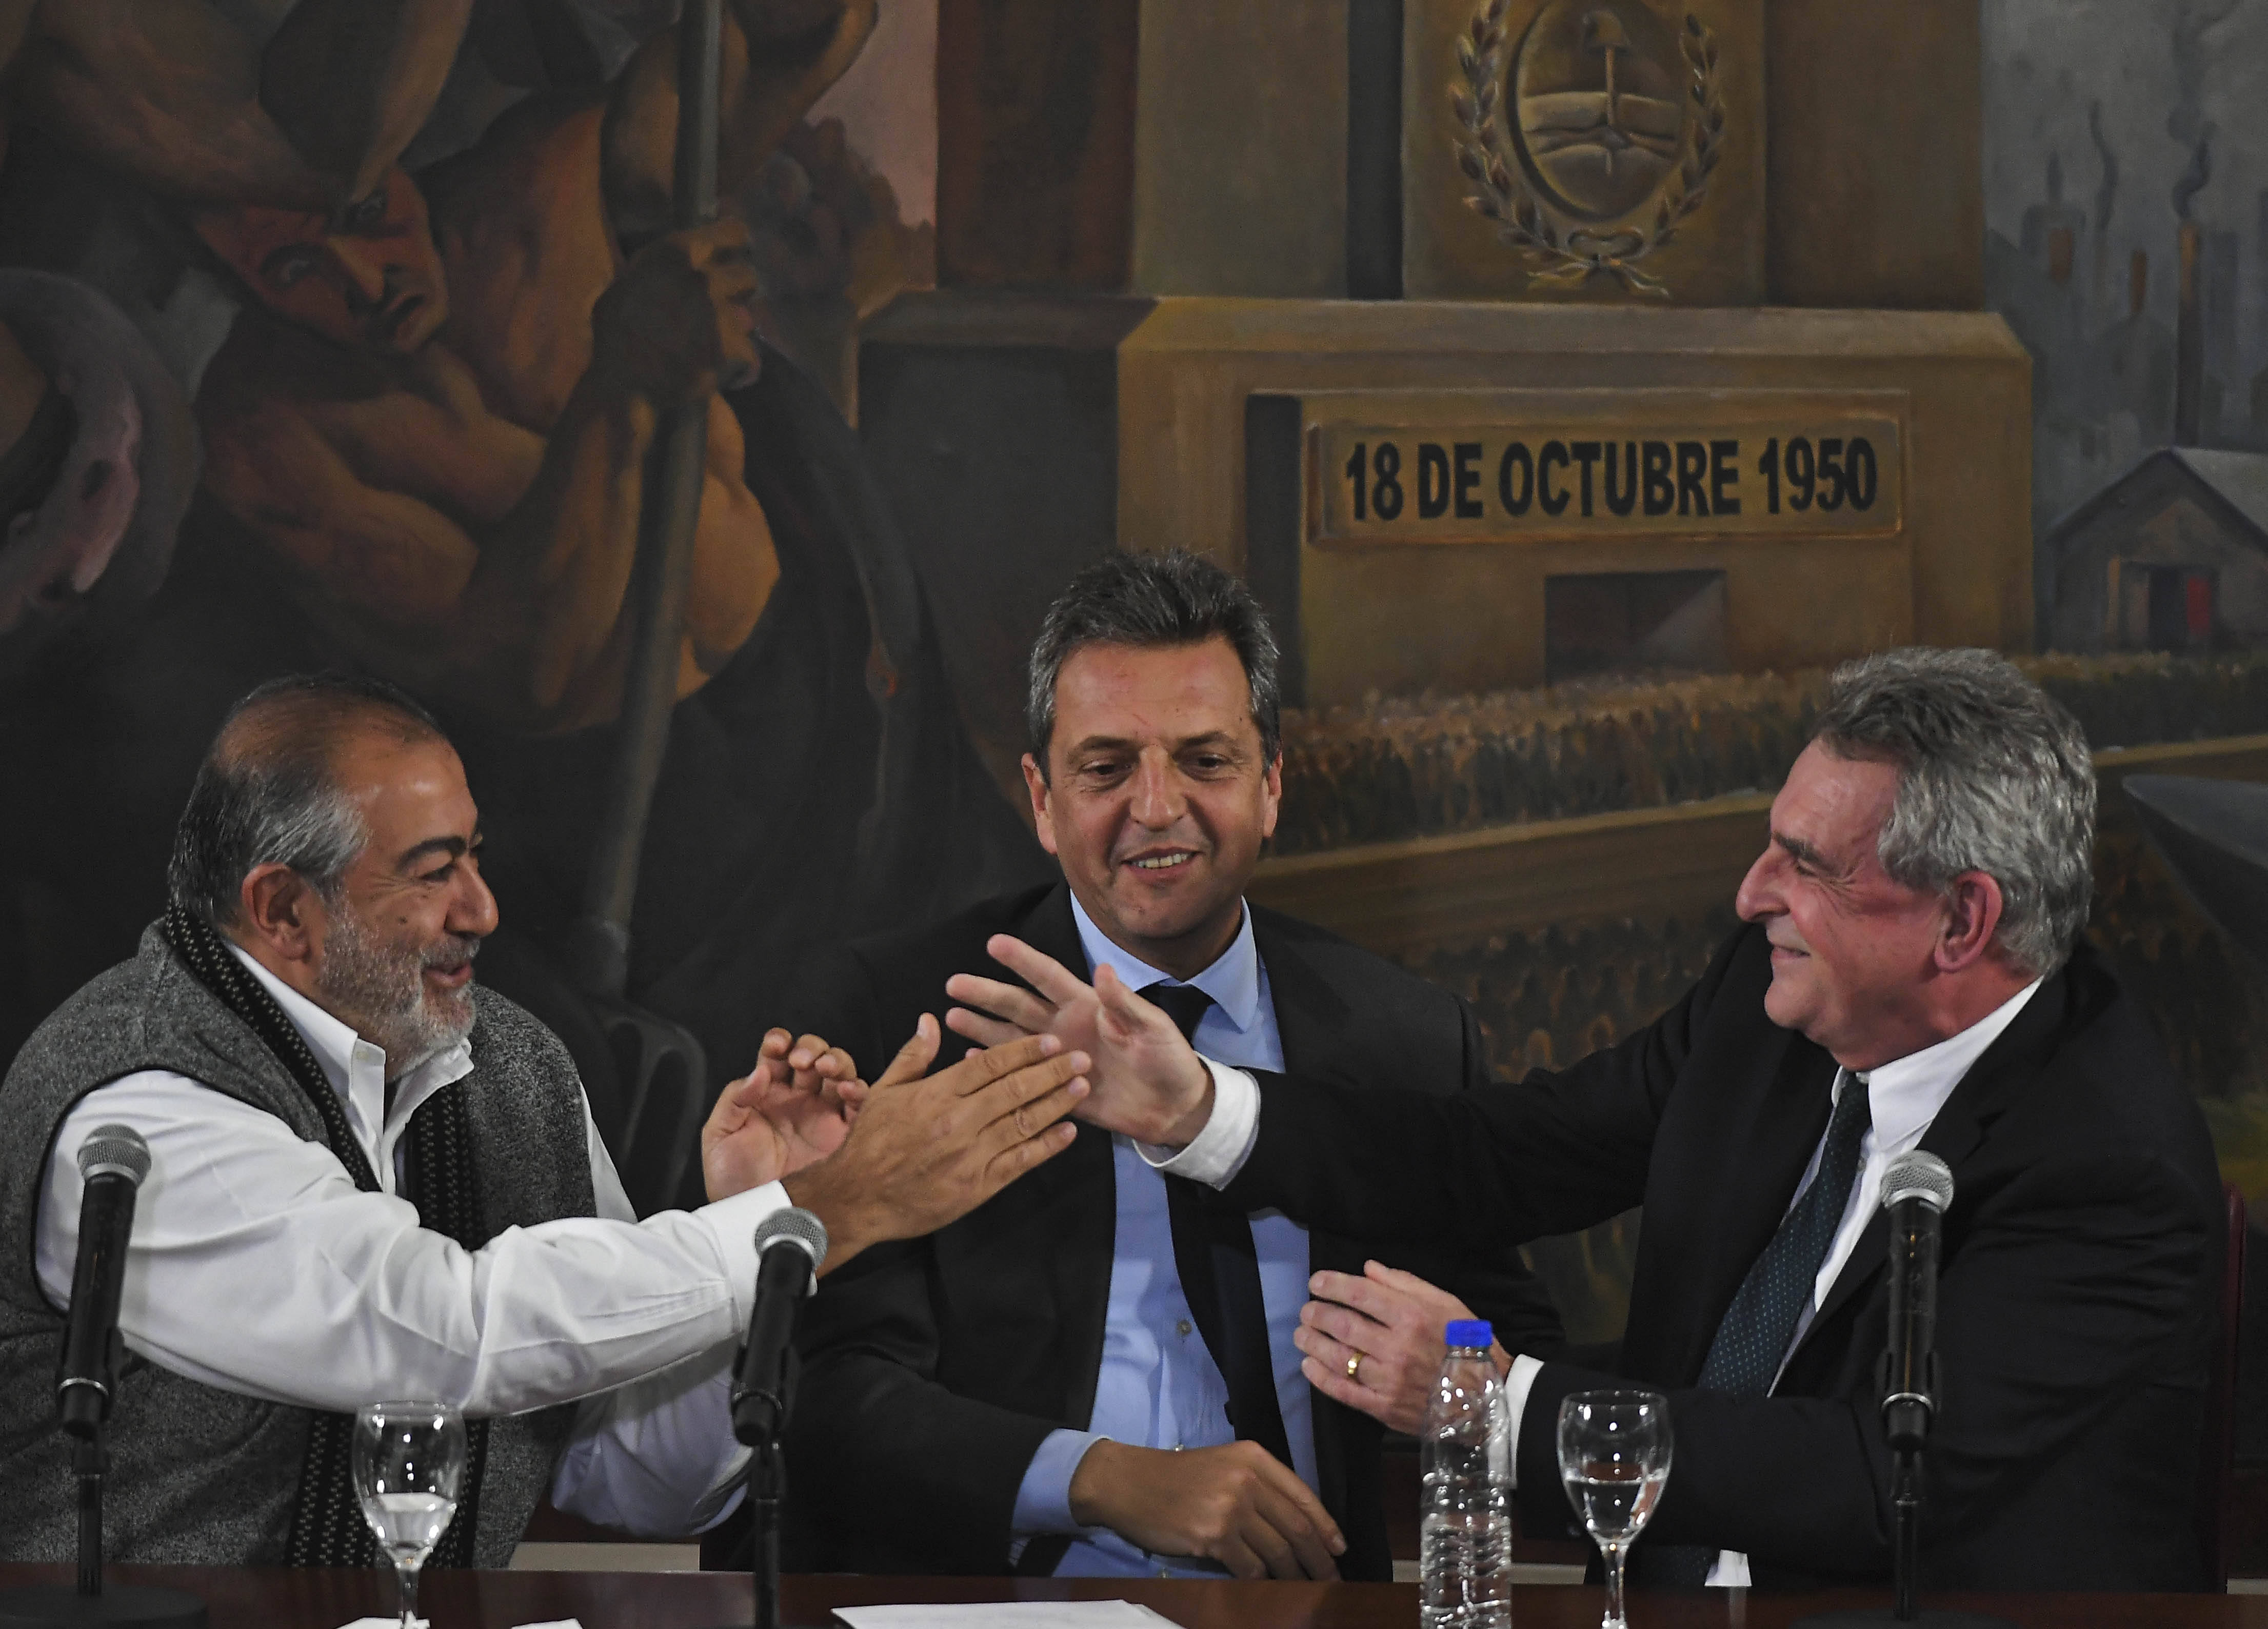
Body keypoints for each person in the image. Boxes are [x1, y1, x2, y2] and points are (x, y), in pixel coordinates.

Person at [951, 646, 2226, 1592]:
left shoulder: (2108, 1166)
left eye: (1808, 867)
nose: (1752, 893)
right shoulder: (1768, 1008)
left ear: (1964, 921)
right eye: (1769, 843)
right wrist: (1199, 1109)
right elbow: (1504, 1156)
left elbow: (1869, 1479)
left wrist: (1485, 1401)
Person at [0, 671, 1090, 1566]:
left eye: (474, 855)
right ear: (284, 909)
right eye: (434, 872)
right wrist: (813, 1215)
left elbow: (638, 1474)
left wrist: (763, 1219)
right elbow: (435, 1336)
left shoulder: (510, 1064)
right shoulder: (137, 1109)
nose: (483, 908)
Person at [765, 552, 1563, 1582]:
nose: (1155, 806)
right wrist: (1101, 1478)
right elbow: (829, 1390)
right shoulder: (902, 1019)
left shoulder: (1401, 1038)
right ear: (1042, 799)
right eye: (1105, 768)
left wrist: (1453, 1371)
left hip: (1308, 1607)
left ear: (1270, 785)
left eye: (1205, 760)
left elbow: (1512, 1353)